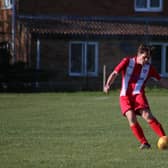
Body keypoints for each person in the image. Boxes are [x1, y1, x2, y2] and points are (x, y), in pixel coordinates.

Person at [104, 44, 168, 149]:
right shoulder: (127, 61)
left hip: (139, 95)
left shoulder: (149, 68)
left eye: (148, 58)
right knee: (131, 117)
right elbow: (115, 73)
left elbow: (161, 81)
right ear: (138, 54)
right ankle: (144, 143)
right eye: (144, 57)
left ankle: (164, 138)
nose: (146, 60)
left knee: (147, 115)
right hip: (125, 96)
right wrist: (107, 85)